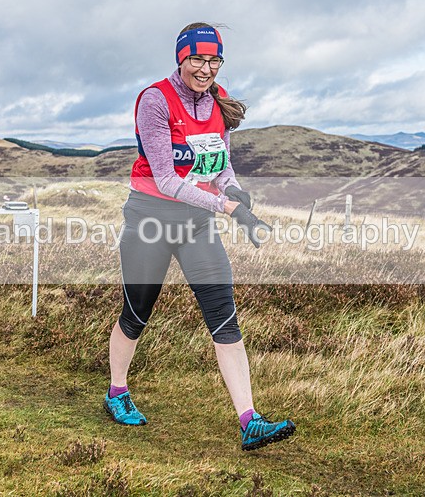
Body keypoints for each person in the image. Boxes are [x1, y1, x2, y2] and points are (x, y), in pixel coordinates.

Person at [103, 22, 295, 451]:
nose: (206, 69)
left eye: (214, 60)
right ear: (180, 58)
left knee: (223, 316)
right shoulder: (155, 100)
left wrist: (234, 193)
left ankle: (249, 420)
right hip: (150, 218)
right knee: (136, 314)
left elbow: (220, 164)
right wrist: (224, 206)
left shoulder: (219, 101)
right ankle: (117, 391)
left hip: (197, 225)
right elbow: (168, 180)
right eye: (197, 59)